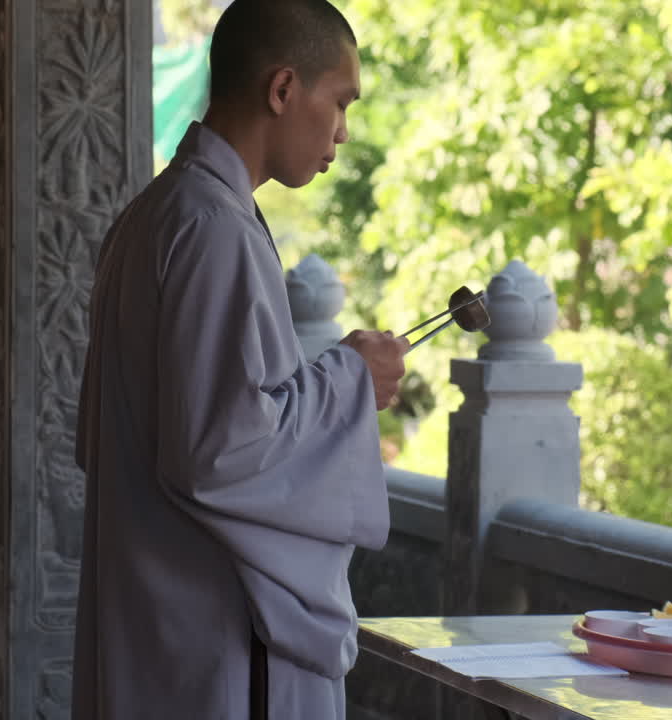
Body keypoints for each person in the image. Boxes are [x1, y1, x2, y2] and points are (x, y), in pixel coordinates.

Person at [70, 1, 408, 718]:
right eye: (340, 102)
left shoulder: (157, 212)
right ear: (283, 90)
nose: (343, 133)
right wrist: (350, 379)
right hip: (212, 637)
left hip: (155, 621)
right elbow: (222, 451)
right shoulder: (211, 228)